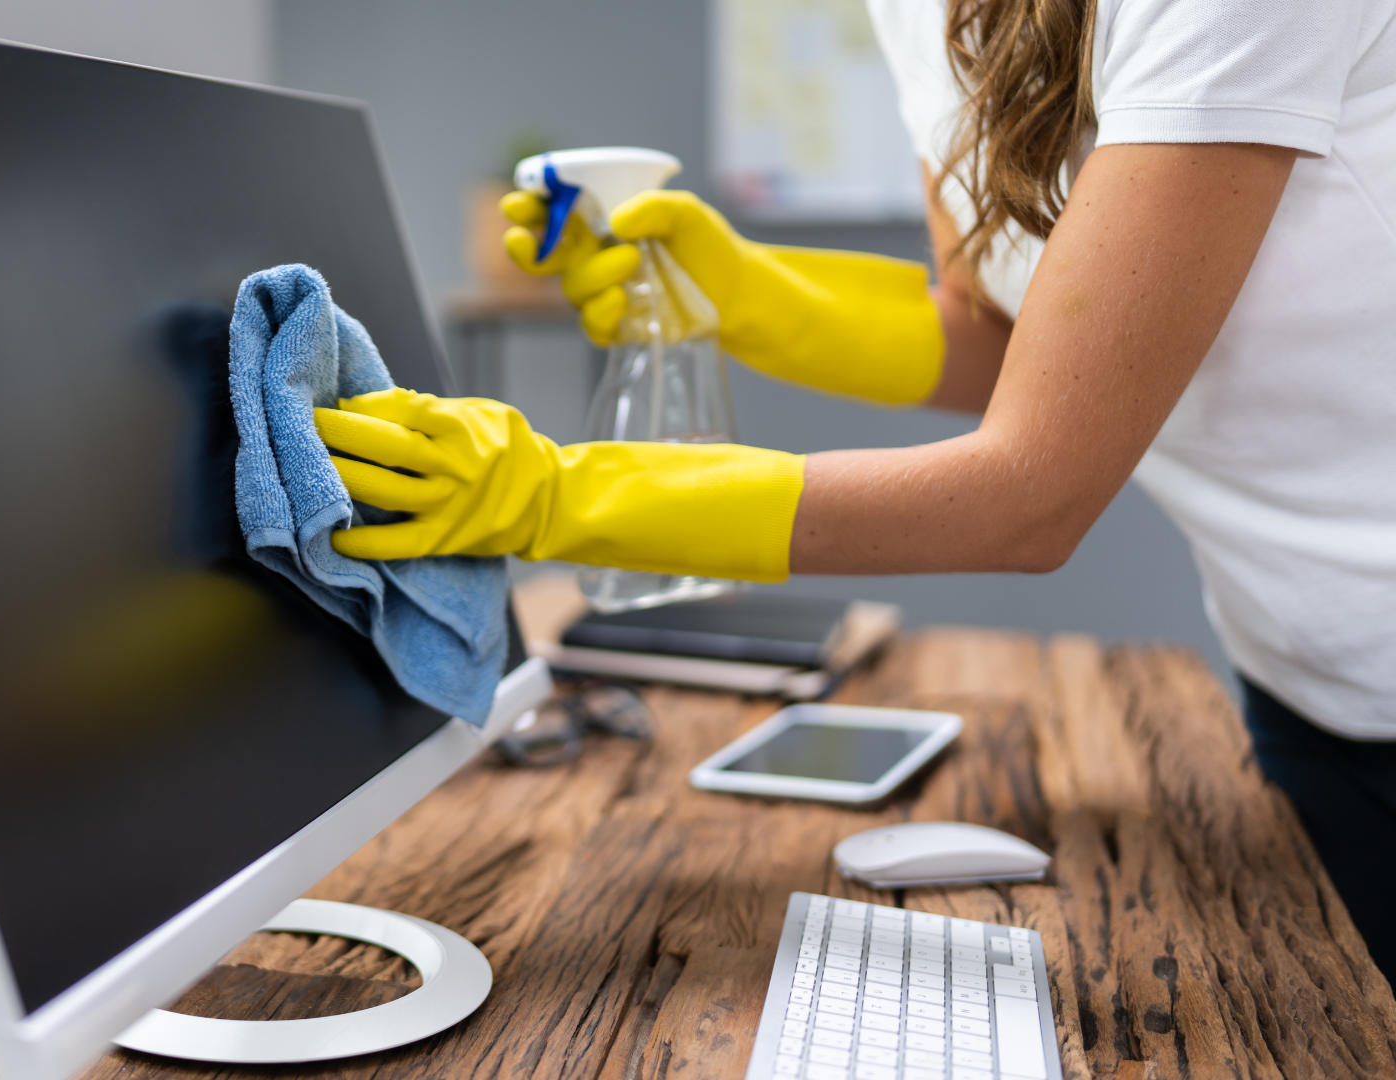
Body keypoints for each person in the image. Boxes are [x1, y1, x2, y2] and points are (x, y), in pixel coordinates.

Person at [312, 0, 1396, 970]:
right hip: (1302, 668)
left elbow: (1034, 487)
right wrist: (738, 286)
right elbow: (994, 334)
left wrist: (556, 498)